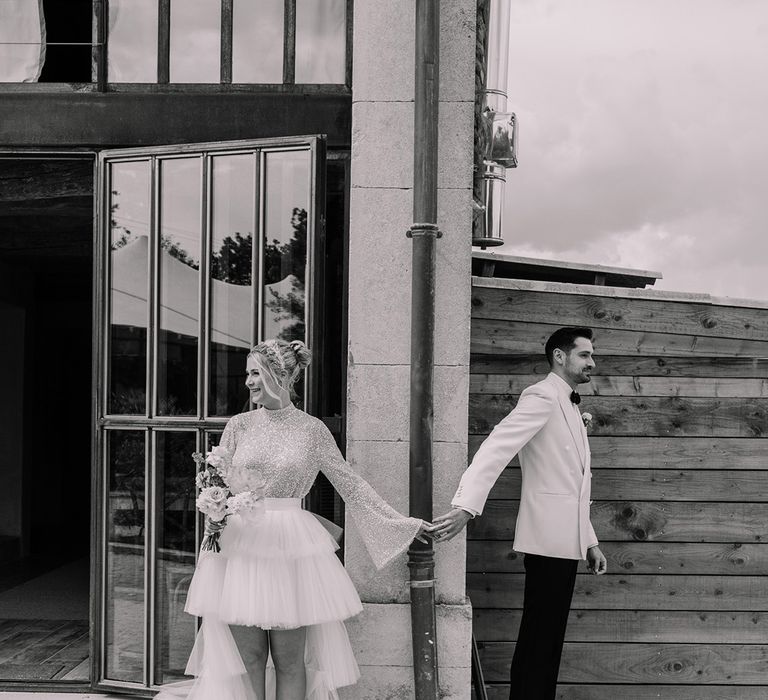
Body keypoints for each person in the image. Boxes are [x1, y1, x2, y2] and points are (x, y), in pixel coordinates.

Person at [159, 339, 432, 700]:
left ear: (281, 375)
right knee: (249, 659)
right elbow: (218, 480)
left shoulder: (312, 430)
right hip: (240, 547)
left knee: (289, 661)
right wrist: (214, 511)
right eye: (248, 374)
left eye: (255, 373)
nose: (248, 382)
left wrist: (401, 524)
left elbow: (351, 485)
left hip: (291, 549)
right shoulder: (239, 426)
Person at [432, 326, 607, 700]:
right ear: (560, 357)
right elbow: (497, 446)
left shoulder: (570, 406)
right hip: (546, 540)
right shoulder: (542, 396)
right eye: (585, 355)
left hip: (567, 542)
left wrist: (589, 541)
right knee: (539, 640)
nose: (592, 362)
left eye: (592, 355)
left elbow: (573, 484)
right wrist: (467, 505)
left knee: (547, 640)